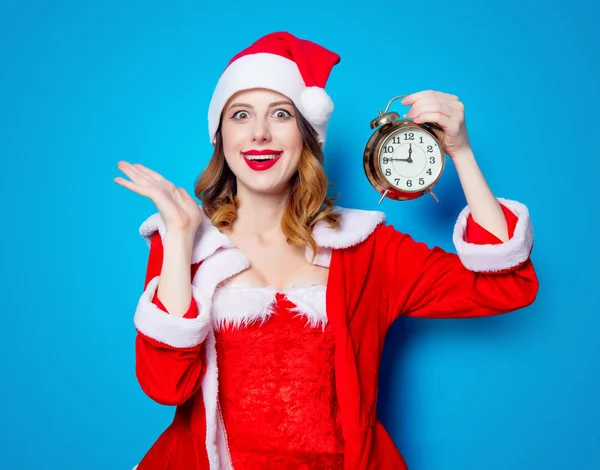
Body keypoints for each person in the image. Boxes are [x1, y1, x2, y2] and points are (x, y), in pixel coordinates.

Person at [115, 31, 538, 470]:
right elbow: (167, 387)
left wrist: (461, 151)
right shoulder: (184, 243)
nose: (260, 133)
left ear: (306, 136)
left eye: (281, 114)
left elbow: (508, 285)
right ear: (220, 136)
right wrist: (181, 237)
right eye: (241, 115)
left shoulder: (364, 250)